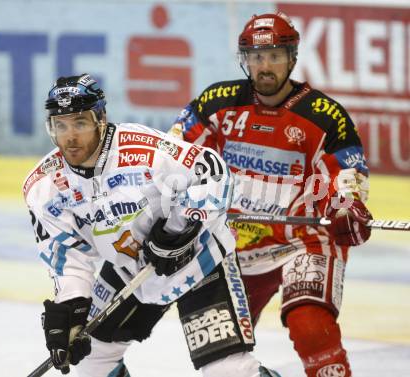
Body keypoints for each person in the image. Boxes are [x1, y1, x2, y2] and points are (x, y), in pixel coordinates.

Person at [23, 73, 281, 377]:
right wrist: (71, 310)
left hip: (201, 260)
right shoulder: (44, 187)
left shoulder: (145, 150)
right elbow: (70, 260)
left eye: (80, 122)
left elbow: (213, 173)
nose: (70, 136)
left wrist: (178, 229)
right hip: (131, 268)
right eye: (61, 124)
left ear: (100, 119)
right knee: (92, 358)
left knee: (229, 371)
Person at [169, 12, 373, 377]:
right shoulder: (218, 103)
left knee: (312, 329)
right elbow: (176, 154)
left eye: (275, 56)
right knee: (219, 354)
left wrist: (347, 206)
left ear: (292, 58)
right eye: (257, 57)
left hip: (303, 239)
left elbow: (348, 175)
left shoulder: (324, 115)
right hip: (231, 243)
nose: (265, 67)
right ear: (244, 59)